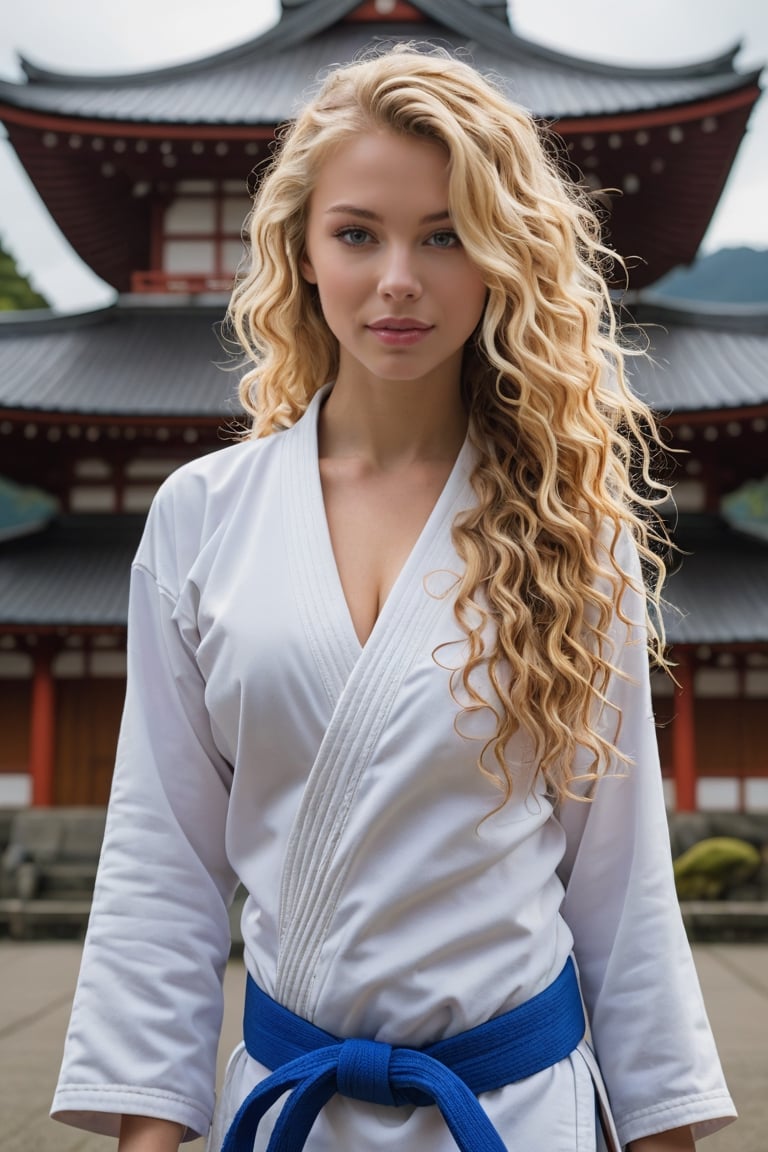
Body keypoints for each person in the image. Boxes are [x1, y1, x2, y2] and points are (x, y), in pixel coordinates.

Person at [52, 46, 735, 1152]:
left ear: (503, 256)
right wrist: (149, 1134)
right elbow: (163, 855)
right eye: (358, 233)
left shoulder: (572, 530)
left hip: (515, 1113)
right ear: (303, 251)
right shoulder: (202, 515)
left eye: (446, 234)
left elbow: (619, 881)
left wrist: (661, 1132)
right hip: (291, 1109)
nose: (399, 279)